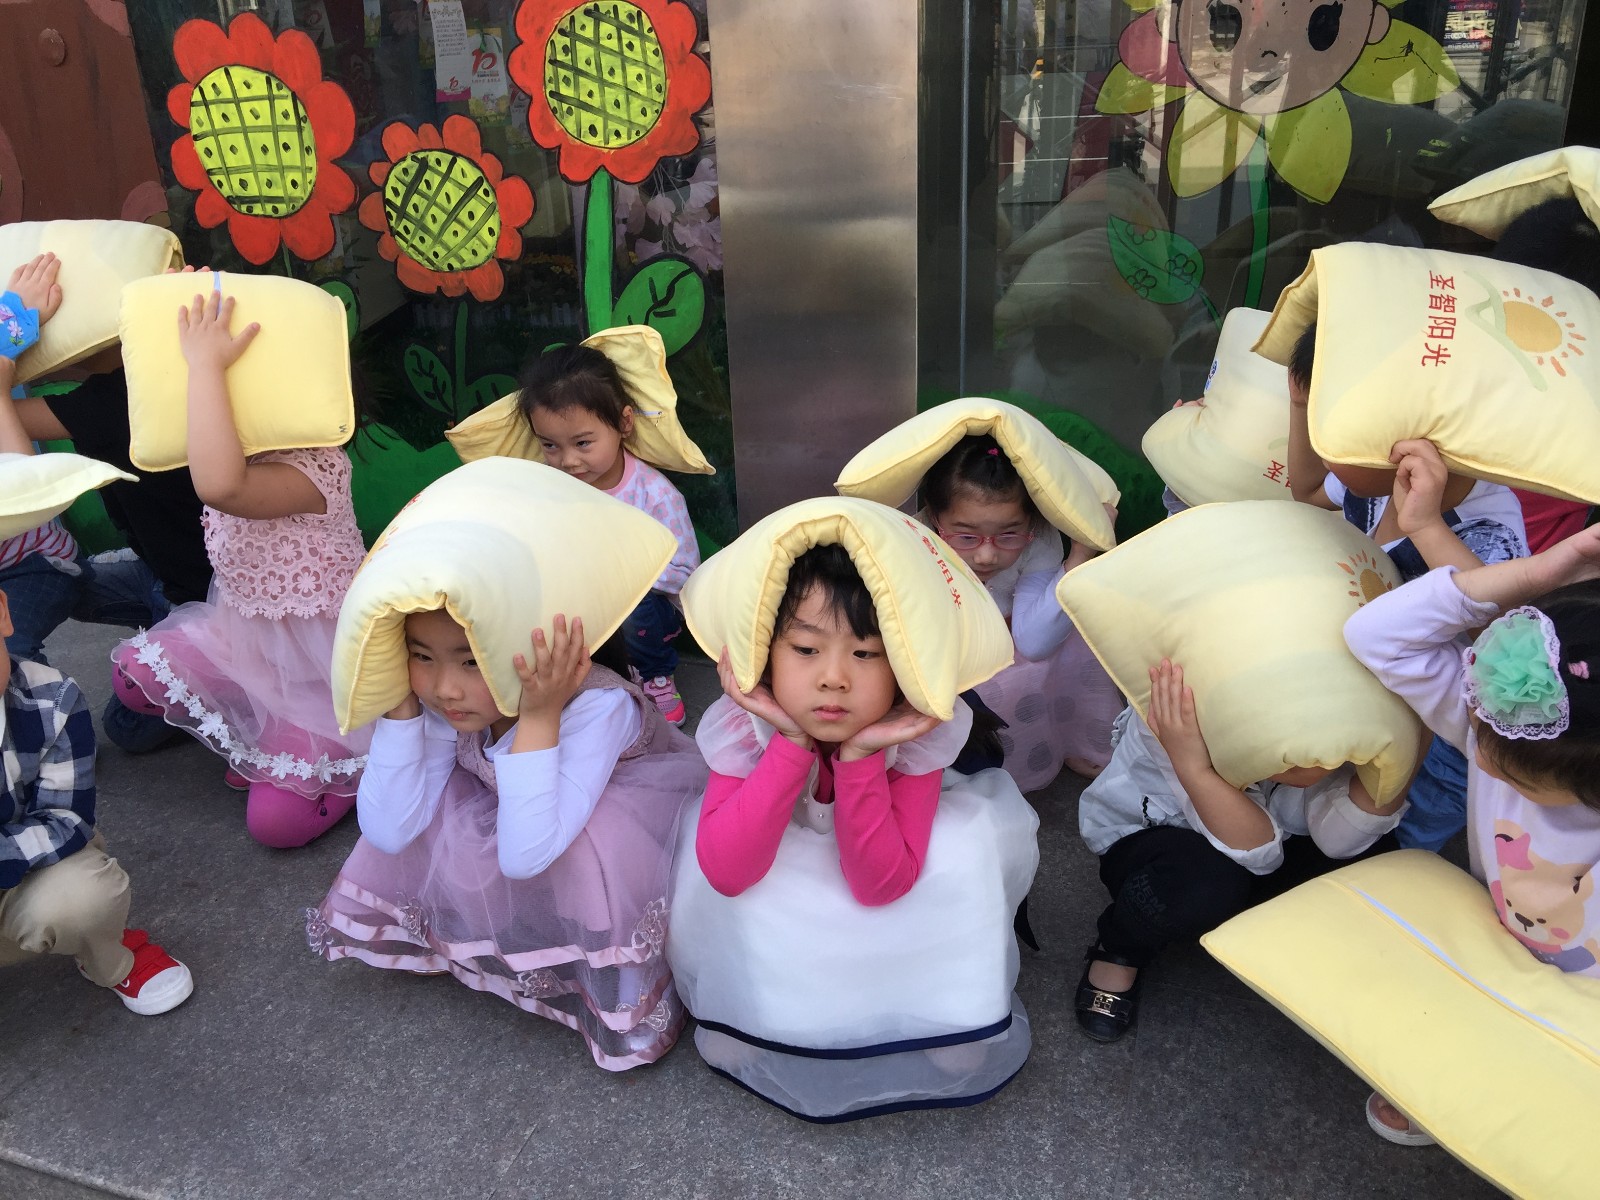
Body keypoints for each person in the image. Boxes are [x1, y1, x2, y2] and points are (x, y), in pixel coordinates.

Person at [669, 542, 1038, 1119]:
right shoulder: (744, 729)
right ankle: (754, 1011)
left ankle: (935, 1010)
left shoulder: (914, 736)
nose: (834, 678)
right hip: (771, 855)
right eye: (806, 649)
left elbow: (880, 884)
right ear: (764, 653)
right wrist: (790, 746)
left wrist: (862, 757)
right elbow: (728, 872)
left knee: (962, 853)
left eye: (867, 653)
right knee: (741, 871)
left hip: (883, 856)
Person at [306, 608, 707, 1070]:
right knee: (437, 814)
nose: (445, 688)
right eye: (422, 656)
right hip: (527, 817)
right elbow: (389, 830)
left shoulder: (600, 704)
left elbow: (526, 854)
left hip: (622, 834)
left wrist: (540, 714)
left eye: (471, 662)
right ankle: (512, 931)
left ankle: (622, 980)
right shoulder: (454, 703)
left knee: (590, 849)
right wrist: (401, 710)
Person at [1345, 524, 1600, 1144]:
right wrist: (1534, 574)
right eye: (1479, 730)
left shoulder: (1540, 742)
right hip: (1496, 940)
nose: (1478, 760)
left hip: (1583, 998)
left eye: (1515, 777)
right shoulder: (1506, 723)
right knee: (1471, 1021)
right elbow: (1375, 635)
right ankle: (1450, 1080)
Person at [108, 290, 369, 847]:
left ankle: (350, 768)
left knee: (274, 827)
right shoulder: (236, 448)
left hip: (319, 681)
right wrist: (184, 299)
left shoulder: (317, 468)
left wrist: (205, 365)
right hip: (245, 646)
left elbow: (222, 486)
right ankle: (262, 742)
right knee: (134, 675)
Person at [1074, 660, 1407, 1042]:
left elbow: (1342, 839)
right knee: (1206, 881)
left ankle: (1297, 946)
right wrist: (1194, 767)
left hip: (1264, 840)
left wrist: (1404, 742)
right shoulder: (1181, 705)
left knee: (1375, 858)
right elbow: (1258, 849)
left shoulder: (1336, 720)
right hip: (1162, 843)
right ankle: (1121, 945)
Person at [1287, 329, 1528, 853]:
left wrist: (1427, 528)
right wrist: (1300, 400)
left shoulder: (1489, 533)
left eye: (1333, 431)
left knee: (1388, 853)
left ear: (1412, 441)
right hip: (1355, 699)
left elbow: (1507, 645)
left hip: (1435, 750)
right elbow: (1307, 491)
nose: (1322, 448)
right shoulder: (1373, 476)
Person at [0, 254, 211, 754]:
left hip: (194, 590)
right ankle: (169, 634)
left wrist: (10, 338)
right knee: (79, 583)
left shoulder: (113, 403)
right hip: (167, 571)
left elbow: (20, 470)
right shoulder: (145, 383)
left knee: (126, 727)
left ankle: (198, 654)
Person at [0, 570, 192, 1014]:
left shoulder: (50, 698)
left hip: (19, 873)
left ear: (3, 613)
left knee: (82, 898)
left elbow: (65, 820)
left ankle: (109, 956)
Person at [918, 434, 1122, 787]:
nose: (986, 555)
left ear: (1032, 523)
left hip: (1016, 633)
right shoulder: (918, 538)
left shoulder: (1039, 539)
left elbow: (1034, 642)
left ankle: (1067, 737)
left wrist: (1079, 555)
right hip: (945, 644)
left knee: (1071, 633)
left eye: (1008, 536)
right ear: (935, 519)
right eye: (967, 536)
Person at [517, 343, 699, 727]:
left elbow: (685, 572)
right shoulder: (552, 488)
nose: (568, 460)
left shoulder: (656, 496)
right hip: (579, 604)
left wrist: (622, 573)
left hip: (643, 613)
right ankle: (575, 676)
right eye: (549, 445)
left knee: (636, 606)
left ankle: (654, 676)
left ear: (624, 423)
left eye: (583, 443)